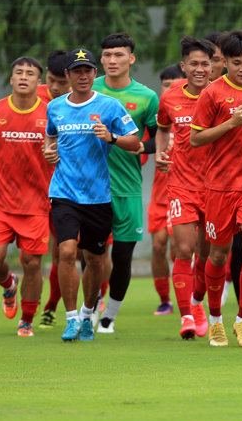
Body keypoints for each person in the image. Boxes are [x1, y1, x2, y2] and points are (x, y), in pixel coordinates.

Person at [43, 48, 140, 342]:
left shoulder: (110, 106)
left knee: (95, 260)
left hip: (98, 196)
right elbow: (50, 135)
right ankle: (71, 319)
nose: (83, 76)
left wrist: (111, 137)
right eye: (77, 71)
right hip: (63, 193)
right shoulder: (55, 107)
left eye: (88, 71)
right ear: (68, 76)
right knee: (66, 252)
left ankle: (88, 313)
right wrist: (48, 151)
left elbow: (135, 142)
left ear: (94, 75)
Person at [189, 29, 242, 348]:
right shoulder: (212, 93)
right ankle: (214, 322)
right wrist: (230, 124)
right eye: (237, 63)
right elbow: (196, 139)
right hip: (219, 186)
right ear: (223, 62)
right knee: (218, 253)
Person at [0, 56, 52, 337]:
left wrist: (53, 153)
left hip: (36, 203)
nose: (23, 76)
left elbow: (60, 148)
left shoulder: (50, 113)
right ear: (11, 79)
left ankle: (28, 319)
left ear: (38, 82)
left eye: (29, 73)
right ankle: (9, 285)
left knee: (32, 263)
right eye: (18, 72)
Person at [91, 33, 160, 333]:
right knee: (92, 255)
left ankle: (109, 316)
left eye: (118, 55)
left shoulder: (146, 97)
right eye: (107, 55)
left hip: (128, 188)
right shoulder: (88, 90)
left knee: (122, 256)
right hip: (90, 189)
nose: (111, 60)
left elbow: (159, 138)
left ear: (131, 59)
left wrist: (137, 146)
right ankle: (90, 308)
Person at [155, 36, 215, 340]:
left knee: (207, 256)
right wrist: (160, 152)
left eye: (206, 63)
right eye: (194, 63)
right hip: (181, 183)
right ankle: (187, 316)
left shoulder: (222, 95)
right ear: (184, 67)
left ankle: (197, 302)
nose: (200, 68)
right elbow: (162, 128)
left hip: (217, 186)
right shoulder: (169, 97)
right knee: (183, 248)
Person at [36, 50, 74, 329]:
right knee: (58, 252)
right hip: (41, 191)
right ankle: (49, 305)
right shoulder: (31, 98)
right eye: (51, 81)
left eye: (62, 83)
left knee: (80, 253)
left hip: (78, 188)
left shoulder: (86, 100)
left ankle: (90, 308)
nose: (55, 88)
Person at [149, 65, 185, 315]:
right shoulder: (159, 119)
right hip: (160, 195)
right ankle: (165, 299)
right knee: (158, 246)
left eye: (175, 82)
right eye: (165, 83)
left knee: (180, 248)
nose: (170, 87)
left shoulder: (192, 114)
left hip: (184, 192)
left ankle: (190, 297)